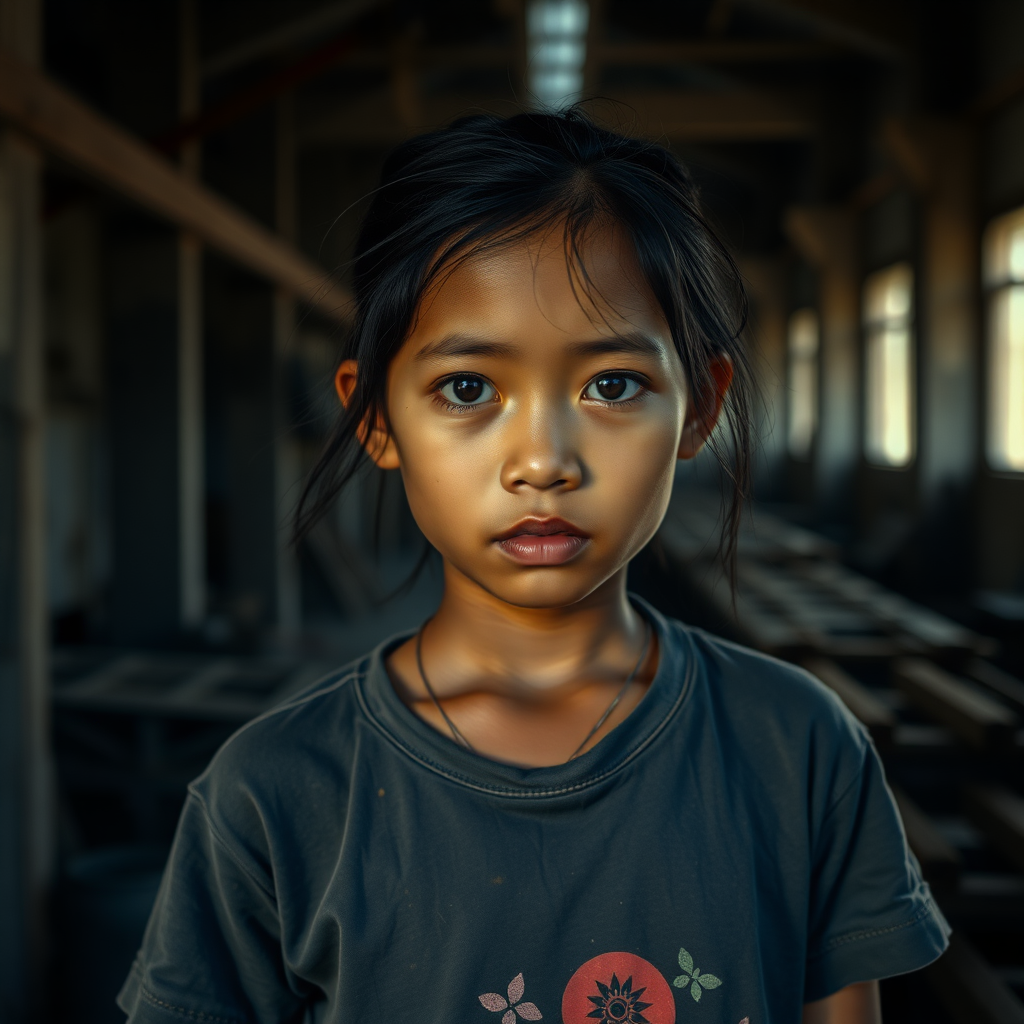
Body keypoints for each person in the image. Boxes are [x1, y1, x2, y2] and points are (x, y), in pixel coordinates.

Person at [118, 109, 948, 1024]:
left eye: (612, 385)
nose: (543, 460)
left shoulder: (796, 748)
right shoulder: (278, 794)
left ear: (700, 408)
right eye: (468, 389)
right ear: (377, 418)